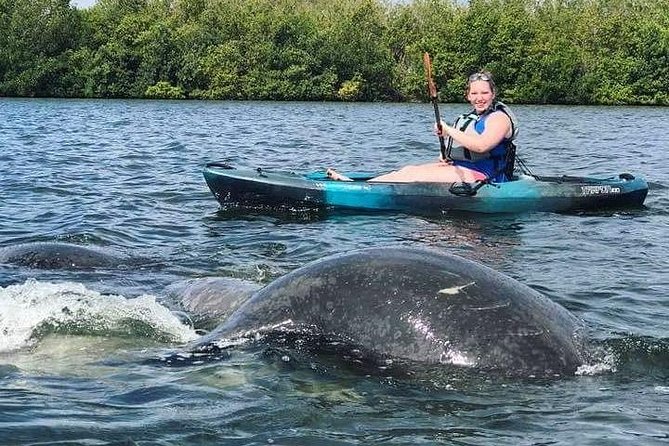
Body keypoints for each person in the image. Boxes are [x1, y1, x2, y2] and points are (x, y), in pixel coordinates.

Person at [326, 71, 518, 183]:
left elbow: (482, 146)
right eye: (474, 93)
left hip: (486, 176)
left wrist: (448, 129)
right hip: (463, 167)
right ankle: (358, 184)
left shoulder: (499, 118)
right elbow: (466, 148)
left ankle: (356, 188)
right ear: (468, 96)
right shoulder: (471, 117)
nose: (479, 98)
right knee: (408, 170)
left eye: (484, 93)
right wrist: (446, 154)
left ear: (493, 94)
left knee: (416, 176)